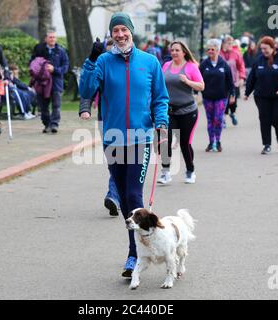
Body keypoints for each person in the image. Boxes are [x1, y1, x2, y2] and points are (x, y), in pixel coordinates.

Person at [79, 12, 169, 278]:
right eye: (115, 31)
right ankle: (136, 248)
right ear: (111, 34)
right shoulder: (104, 61)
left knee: (132, 196)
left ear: (131, 31)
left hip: (140, 138)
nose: (120, 35)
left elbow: (160, 98)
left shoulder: (150, 62)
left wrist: (161, 122)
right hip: (113, 139)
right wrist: (91, 60)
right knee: (122, 196)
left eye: (123, 30)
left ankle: (134, 255)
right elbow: (86, 91)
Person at [78, 39, 120, 216]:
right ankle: (116, 195)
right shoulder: (100, 65)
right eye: (106, 54)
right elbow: (88, 90)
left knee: (125, 162)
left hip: (131, 122)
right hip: (107, 121)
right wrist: (84, 109)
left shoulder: (130, 66)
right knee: (115, 161)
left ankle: (117, 196)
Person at [157, 40, 204, 185]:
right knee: (165, 141)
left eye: (177, 50)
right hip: (169, 111)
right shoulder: (166, 66)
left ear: (184, 52)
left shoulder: (191, 67)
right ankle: (165, 173)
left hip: (188, 111)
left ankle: (190, 171)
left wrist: (188, 82)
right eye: (172, 50)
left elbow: (201, 86)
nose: (174, 53)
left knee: (184, 143)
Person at [244, 36, 278, 155]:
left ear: (273, 47)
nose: (263, 51)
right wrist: (247, 93)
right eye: (262, 49)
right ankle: (267, 145)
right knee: (264, 119)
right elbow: (252, 78)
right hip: (262, 96)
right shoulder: (258, 61)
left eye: (266, 48)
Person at [30, 30, 69, 134]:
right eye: (50, 37)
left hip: (56, 82)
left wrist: (54, 69)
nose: (52, 39)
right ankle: (47, 124)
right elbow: (32, 63)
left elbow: (65, 67)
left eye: (54, 37)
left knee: (56, 105)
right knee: (43, 106)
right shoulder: (39, 49)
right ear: (46, 39)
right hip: (42, 83)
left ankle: (54, 124)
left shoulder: (61, 51)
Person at [200, 39, 235, 153]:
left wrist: (232, 94)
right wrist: (196, 92)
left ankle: (218, 141)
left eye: (213, 49)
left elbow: (230, 81)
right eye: (208, 49)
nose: (210, 51)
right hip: (207, 97)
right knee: (210, 120)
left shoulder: (224, 64)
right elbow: (198, 79)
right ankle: (211, 142)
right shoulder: (204, 64)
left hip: (221, 97)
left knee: (218, 120)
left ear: (218, 50)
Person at [220, 35, 246, 126]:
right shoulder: (218, 53)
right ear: (223, 43)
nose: (230, 45)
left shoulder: (236, 53)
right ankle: (223, 118)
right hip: (221, 82)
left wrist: (242, 78)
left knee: (233, 101)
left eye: (231, 43)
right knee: (224, 100)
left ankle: (233, 113)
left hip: (233, 81)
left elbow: (241, 66)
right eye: (228, 43)